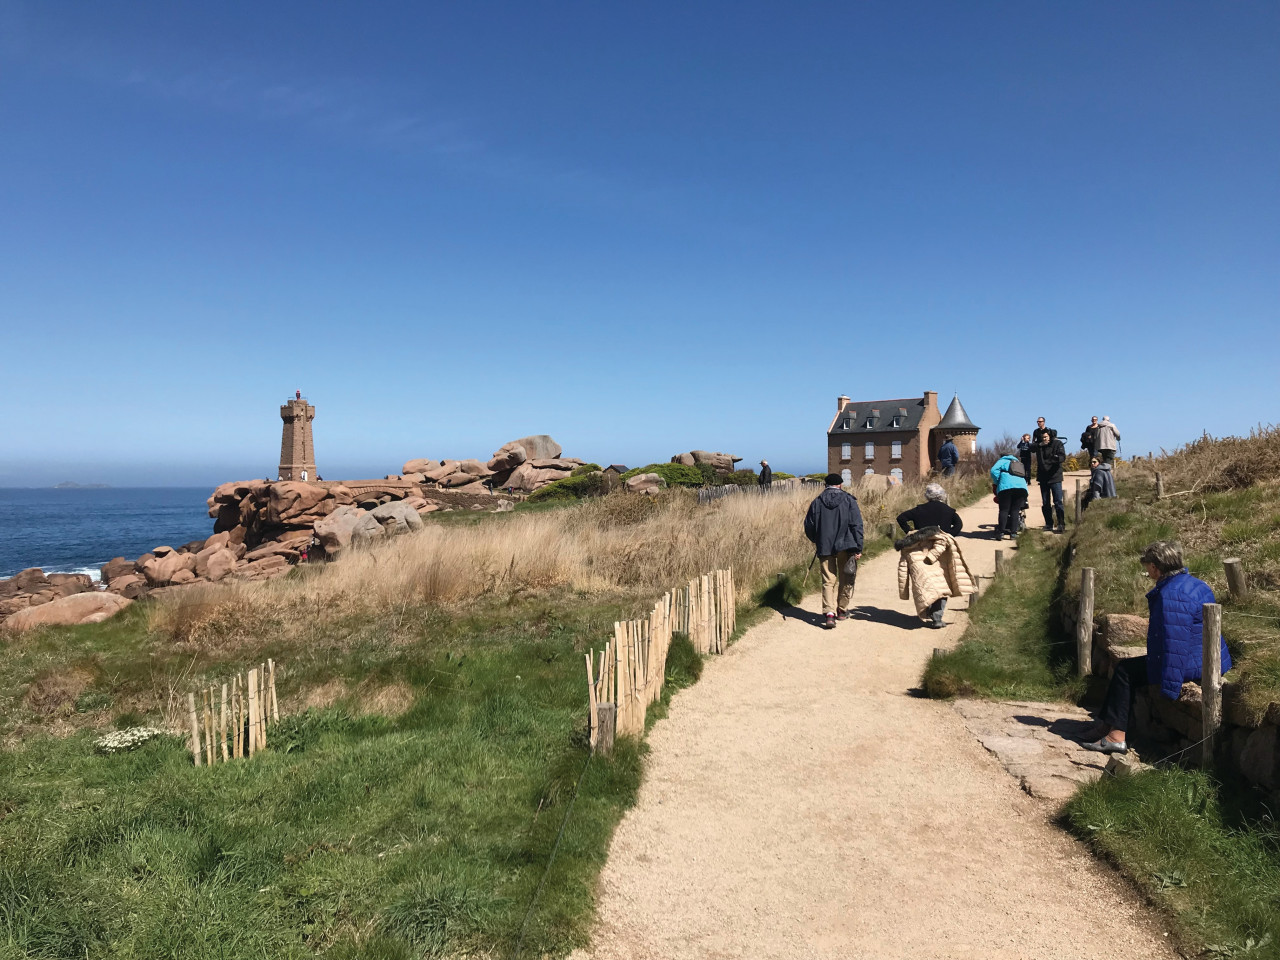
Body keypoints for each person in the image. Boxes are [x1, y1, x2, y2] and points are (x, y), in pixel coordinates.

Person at [1081, 541, 1232, 754]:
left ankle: (1116, 736)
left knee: (1125, 672)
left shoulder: (1170, 595)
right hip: (1207, 656)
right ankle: (1107, 725)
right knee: (1127, 668)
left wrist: (1170, 687)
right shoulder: (1194, 583)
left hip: (1193, 663)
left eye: (1147, 566)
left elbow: (1175, 642)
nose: (1147, 571)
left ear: (1155, 567)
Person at [804, 474, 864, 630]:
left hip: (825, 546)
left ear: (825, 485)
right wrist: (859, 546)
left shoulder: (817, 502)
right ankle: (842, 610)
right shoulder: (849, 500)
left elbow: (809, 526)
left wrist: (817, 540)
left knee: (828, 581)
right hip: (847, 545)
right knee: (846, 577)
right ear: (841, 485)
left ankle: (829, 613)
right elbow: (857, 525)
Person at [896, 514, 976, 629]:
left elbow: (901, 518)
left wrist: (909, 531)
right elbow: (958, 525)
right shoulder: (947, 511)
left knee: (925, 588)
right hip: (940, 560)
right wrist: (949, 534)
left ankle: (928, 612)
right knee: (942, 588)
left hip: (917, 561)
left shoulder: (917, 513)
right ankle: (937, 618)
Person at [897, 483, 963, 538]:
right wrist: (949, 535)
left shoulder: (919, 509)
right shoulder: (948, 510)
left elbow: (901, 518)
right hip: (942, 542)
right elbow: (959, 524)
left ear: (927, 495)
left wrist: (910, 532)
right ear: (943, 495)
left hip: (922, 541)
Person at [989, 453, 1029, 540]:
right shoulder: (1018, 463)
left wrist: (997, 481)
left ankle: (1001, 532)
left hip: (1006, 487)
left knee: (1004, 510)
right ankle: (1013, 533)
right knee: (1015, 510)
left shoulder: (1002, 461)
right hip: (1021, 488)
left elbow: (993, 471)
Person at [1035, 428, 1067, 533]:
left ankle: (1061, 523)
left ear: (1050, 436)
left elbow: (1062, 457)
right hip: (1043, 478)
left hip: (1055, 477)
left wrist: (1053, 460)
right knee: (1045, 502)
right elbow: (1029, 448)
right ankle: (1049, 523)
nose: (1044, 439)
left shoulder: (1058, 444)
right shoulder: (1039, 446)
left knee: (1058, 501)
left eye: (1046, 437)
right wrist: (1039, 445)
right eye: (1043, 437)